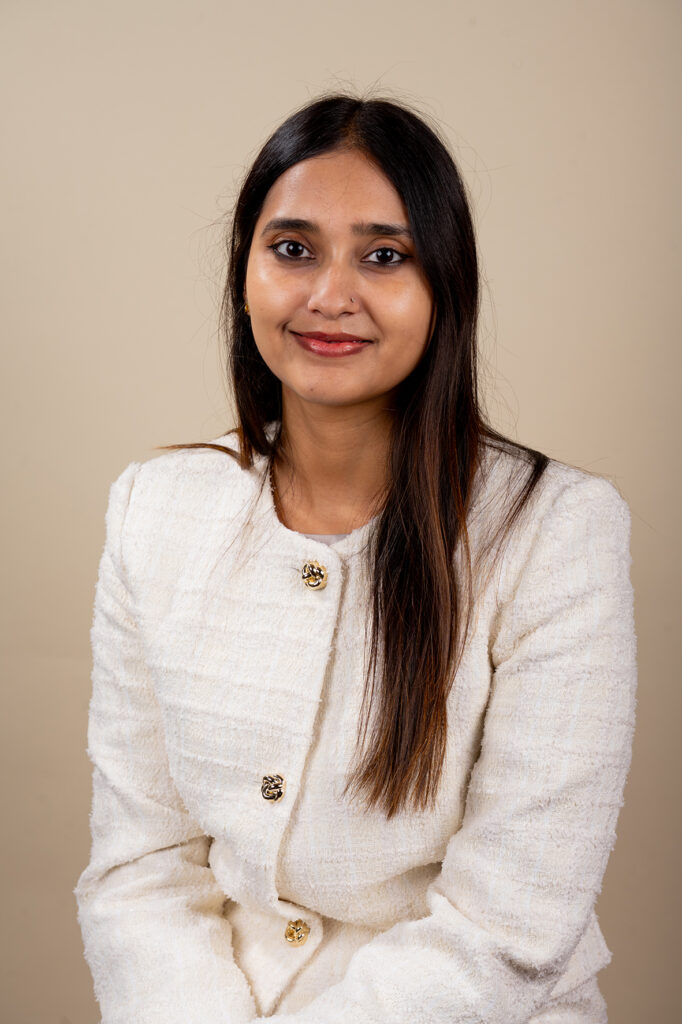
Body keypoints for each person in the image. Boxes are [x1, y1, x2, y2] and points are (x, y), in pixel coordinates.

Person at [73, 94, 637, 1024]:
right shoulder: (155, 509)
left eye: (384, 256)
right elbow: (140, 867)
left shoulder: (557, 530)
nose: (330, 295)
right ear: (244, 272)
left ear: (445, 284)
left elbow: (511, 925)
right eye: (293, 248)